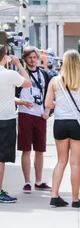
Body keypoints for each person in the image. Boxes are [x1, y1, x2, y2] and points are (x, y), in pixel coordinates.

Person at [0, 45, 33, 203]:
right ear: (5, 57)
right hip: (6, 119)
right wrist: (18, 64)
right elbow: (28, 83)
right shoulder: (10, 74)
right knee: (0, 158)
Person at [45, 50, 80, 208]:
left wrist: (60, 104)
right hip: (77, 123)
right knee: (75, 164)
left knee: (61, 161)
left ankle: (54, 196)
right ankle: (75, 199)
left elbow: (48, 105)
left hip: (60, 123)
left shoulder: (55, 81)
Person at [15, 46, 52, 193]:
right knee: (26, 150)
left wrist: (48, 111)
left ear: (38, 59)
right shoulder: (20, 75)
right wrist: (21, 102)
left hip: (40, 115)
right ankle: (27, 182)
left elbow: (51, 93)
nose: (32, 60)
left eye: (34, 57)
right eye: (29, 57)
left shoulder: (44, 74)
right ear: (25, 59)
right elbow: (13, 95)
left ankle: (39, 181)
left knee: (40, 150)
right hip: (25, 114)